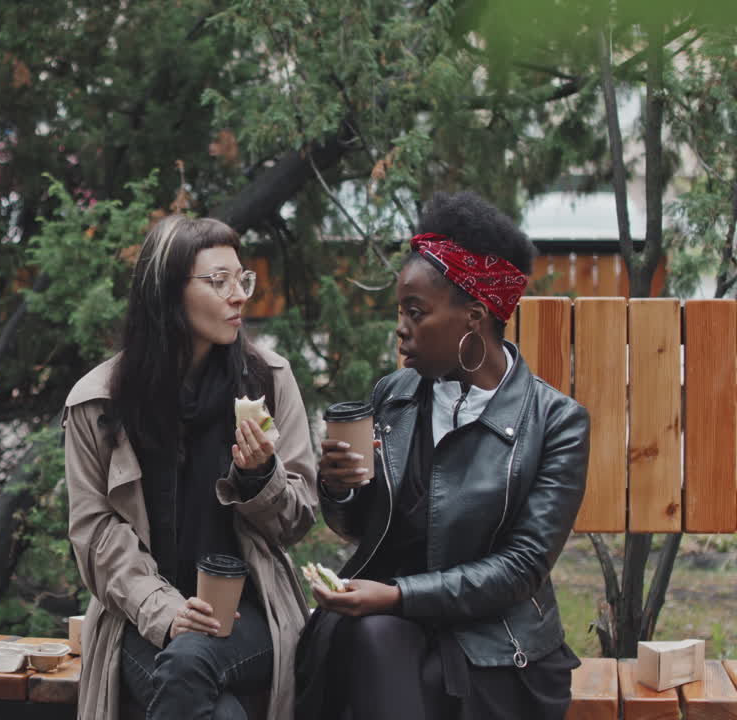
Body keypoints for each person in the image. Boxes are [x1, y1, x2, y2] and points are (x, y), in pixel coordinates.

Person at [295, 190, 591, 720]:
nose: (401, 328)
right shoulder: (396, 396)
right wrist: (340, 486)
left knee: (375, 644)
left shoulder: (556, 423)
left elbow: (520, 569)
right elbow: (359, 527)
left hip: (496, 648)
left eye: (416, 312)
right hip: (389, 628)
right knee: (371, 641)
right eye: (400, 311)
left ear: (474, 317)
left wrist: (395, 596)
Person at [65, 215, 316, 720]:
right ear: (167, 293)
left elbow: (298, 520)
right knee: (211, 698)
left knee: (190, 660)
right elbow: (94, 537)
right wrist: (165, 611)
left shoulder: (269, 381)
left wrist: (259, 477)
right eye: (218, 281)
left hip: (255, 612)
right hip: (140, 617)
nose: (239, 295)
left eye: (241, 279)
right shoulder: (99, 403)